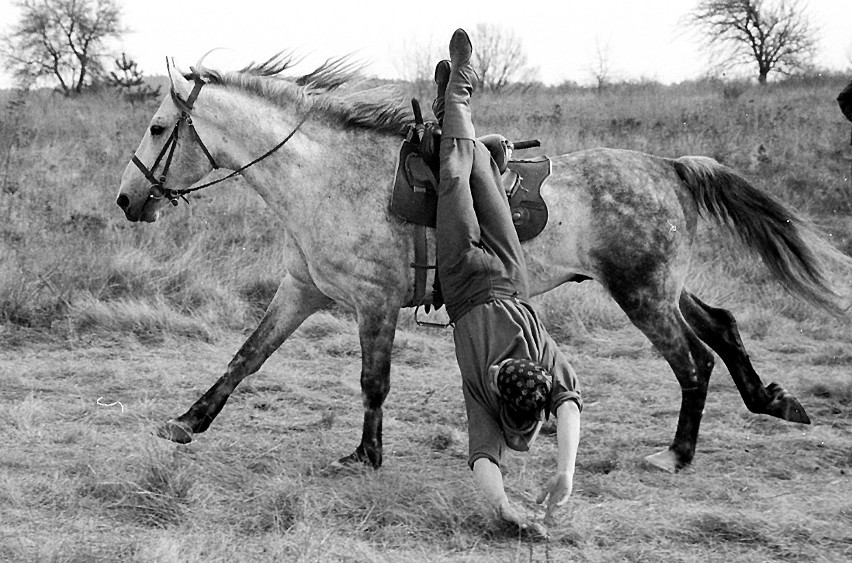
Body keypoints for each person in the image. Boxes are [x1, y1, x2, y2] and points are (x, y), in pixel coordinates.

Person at [432, 28, 582, 536]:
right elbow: (568, 406)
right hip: (509, 275)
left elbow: (483, 465)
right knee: (481, 176)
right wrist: (565, 470)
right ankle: (455, 119)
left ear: (496, 390)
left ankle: (459, 91)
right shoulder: (542, 364)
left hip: (462, 281)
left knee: (454, 176)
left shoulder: (483, 389)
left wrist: (504, 511)